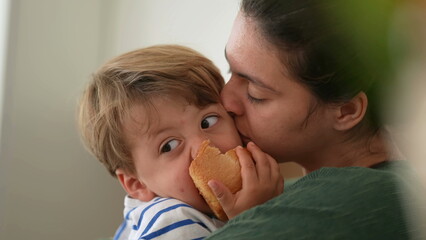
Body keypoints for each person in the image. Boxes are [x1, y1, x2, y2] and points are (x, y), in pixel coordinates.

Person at [205, 0, 411, 239]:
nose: (225, 100)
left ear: (346, 110)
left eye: (255, 94)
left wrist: (254, 221)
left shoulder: (358, 199)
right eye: (230, 71)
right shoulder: (270, 193)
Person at [77, 45, 283, 240]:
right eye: (169, 146)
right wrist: (252, 220)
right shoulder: (171, 220)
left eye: (207, 121)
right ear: (138, 184)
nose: (204, 147)